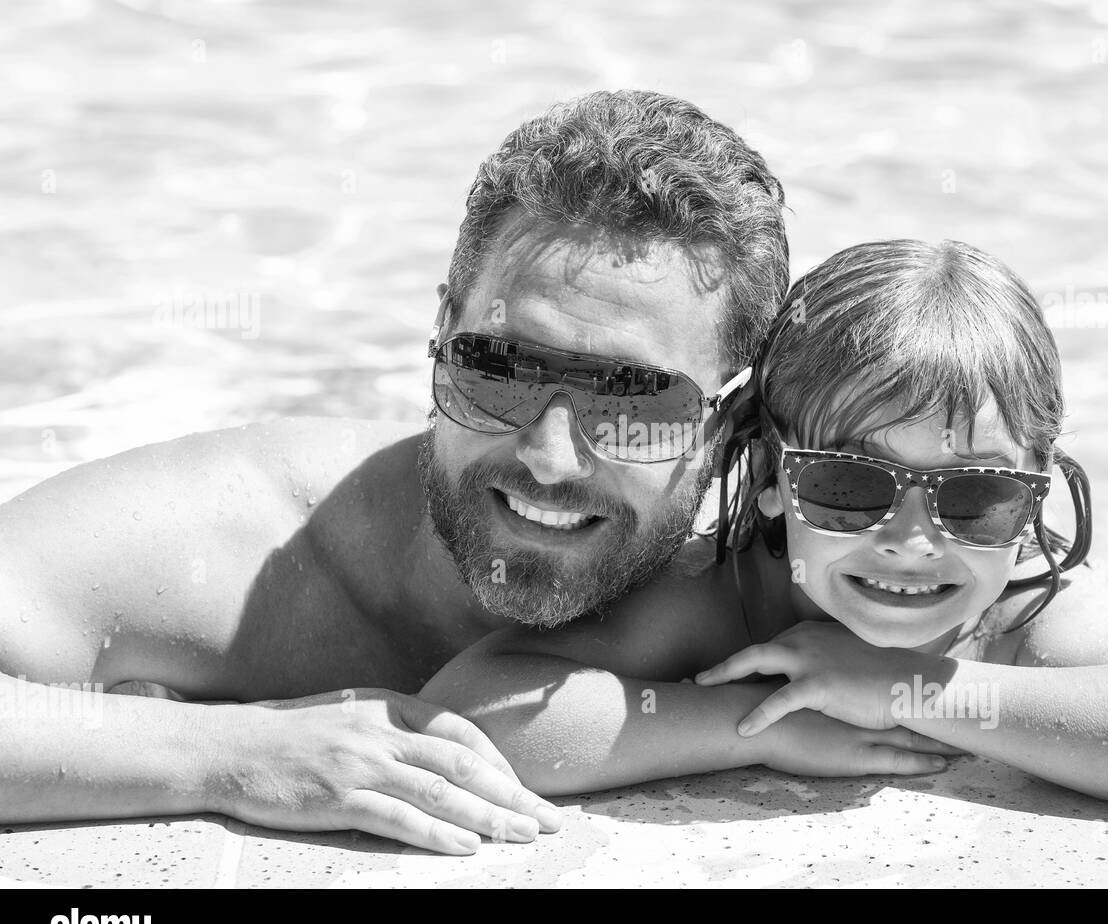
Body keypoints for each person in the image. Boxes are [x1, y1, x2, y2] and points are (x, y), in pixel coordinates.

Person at [4, 90, 902, 854]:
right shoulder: (234, 543)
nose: (550, 459)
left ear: (733, 424)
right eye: (499, 371)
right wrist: (234, 751)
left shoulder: (806, 556)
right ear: (441, 329)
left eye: (634, 406)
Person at [425, 240, 1108, 808]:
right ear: (773, 476)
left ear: (1034, 497)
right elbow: (474, 713)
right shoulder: (727, 596)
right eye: (850, 486)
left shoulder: (1022, 603)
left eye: (975, 499)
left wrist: (907, 693)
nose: (914, 539)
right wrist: (755, 732)